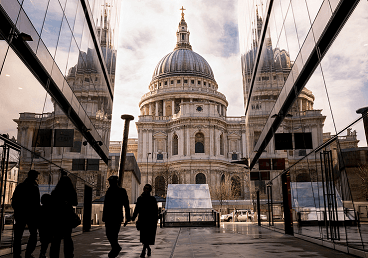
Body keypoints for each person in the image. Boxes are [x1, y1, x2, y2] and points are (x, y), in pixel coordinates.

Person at [11, 169, 40, 258]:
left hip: (20, 214)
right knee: (33, 235)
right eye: (36, 176)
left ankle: (17, 254)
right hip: (31, 215)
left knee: (18, 235)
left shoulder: (20, 186)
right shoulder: (34, 187)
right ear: (34, 177)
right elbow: (36, 203)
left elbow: (14, 201)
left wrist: (18, 210)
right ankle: (28, 253)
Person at [50, 175, 78, 258]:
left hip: (57, 217)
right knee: (67, 238)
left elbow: (52, 204)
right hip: (67, 217)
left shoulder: (55, 192)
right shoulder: (71, 192)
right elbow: (75, 203)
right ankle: (68, 255)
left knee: (56, 239)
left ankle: (54, 256)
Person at [102, 175, 131, 258]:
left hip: (116, 216)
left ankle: (115, 248)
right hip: (108, 217)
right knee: (108, 234)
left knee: (114, 235)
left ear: (116, 182)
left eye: (111, 182)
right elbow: (106, 205)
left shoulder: (122, 191)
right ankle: (116, 247)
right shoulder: (109, 191)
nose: (110, 183)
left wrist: (128, 217)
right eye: (109, 182)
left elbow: (126, 204)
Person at [132, 184, 158, 258]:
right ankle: (148, 248)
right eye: (145, 188)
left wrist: (156, 220)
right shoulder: (140, 199)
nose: (146, 190)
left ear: (150, 190)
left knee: (147, 237)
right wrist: (133, 217)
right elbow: (137, 209)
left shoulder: (152, 199)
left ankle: (143, 250)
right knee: (144, 237)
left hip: (150, 221)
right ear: (143, 189)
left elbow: (155, 211)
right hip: (142, 221)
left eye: (148, 189)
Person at [39, 194, 53, 258]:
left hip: (42, 228)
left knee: (44, 242)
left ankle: (42, 254)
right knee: (47, 242)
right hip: (49, 229)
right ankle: (43, 254)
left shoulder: (41, 209)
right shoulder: (51, 210)